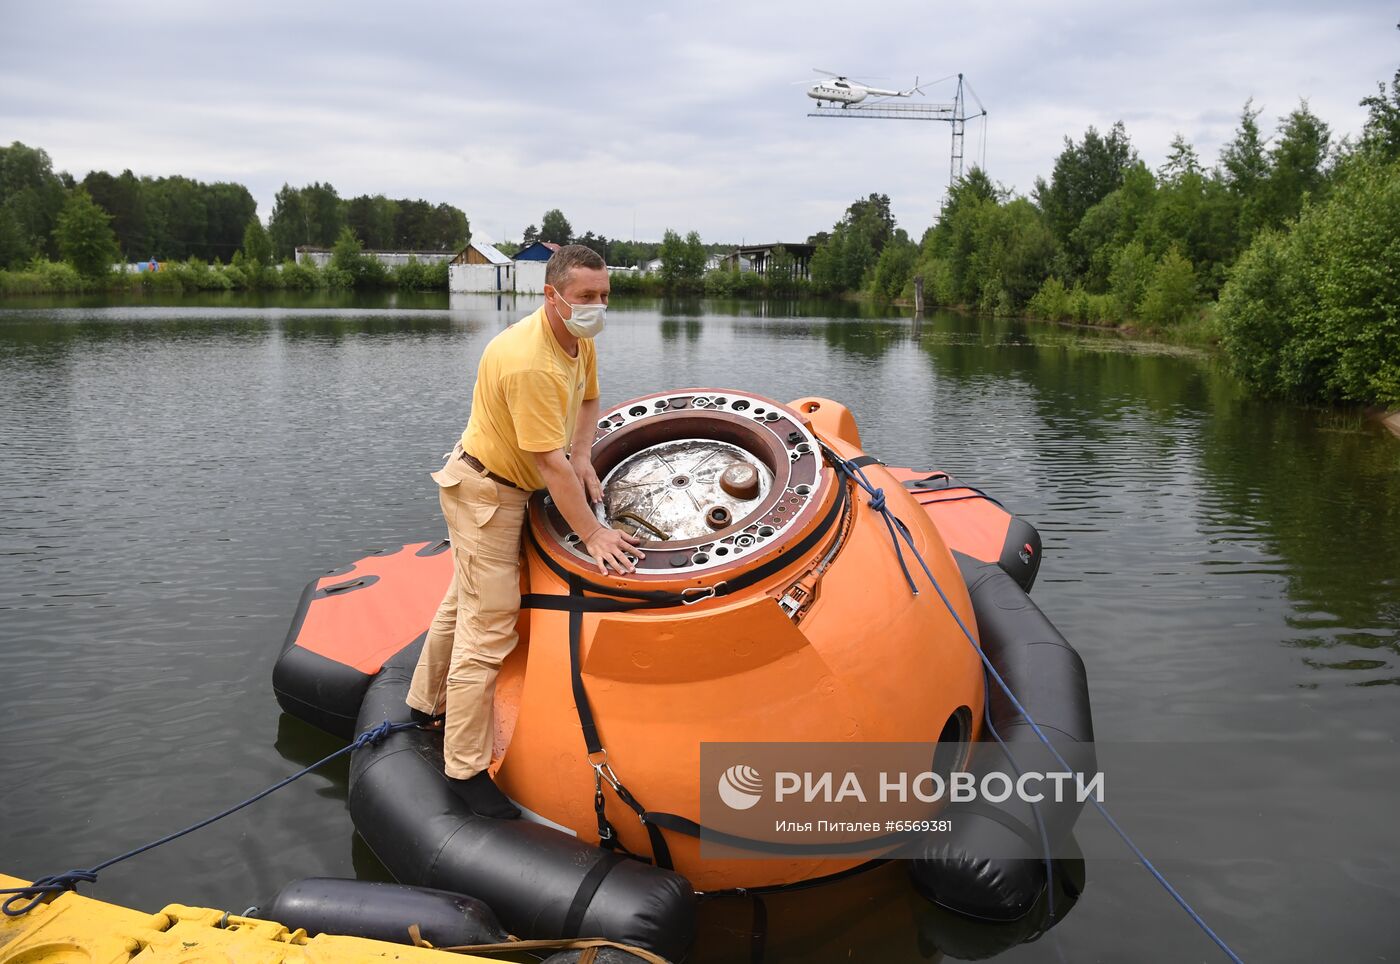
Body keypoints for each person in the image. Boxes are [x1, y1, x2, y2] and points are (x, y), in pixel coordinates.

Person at [406, 244, 644, 818]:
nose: (597, 307)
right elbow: (548, 466)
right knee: (488, 627)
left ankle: (423, 702)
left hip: (507, 484)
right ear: (552, 295)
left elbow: (588, 403)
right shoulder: (529, 361)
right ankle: (463, 769)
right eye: (586, 297)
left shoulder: (577, 339)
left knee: (463, 598)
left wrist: (586, 456)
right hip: (486, 490)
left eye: (604, 295)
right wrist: (593, 535)